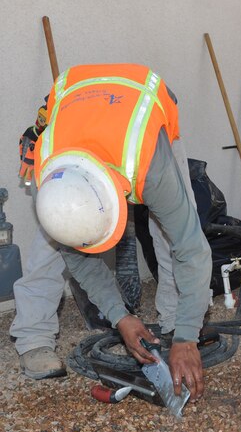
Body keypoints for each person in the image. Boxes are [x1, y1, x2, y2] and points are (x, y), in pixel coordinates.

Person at [18, 63, 210, 399]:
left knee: (174, 232)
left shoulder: (151, 168)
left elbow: (191, 249)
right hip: (72, 113)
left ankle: (175, 325)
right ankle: (33, 337)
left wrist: (187, 335)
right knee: (50, 241)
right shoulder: (49, 174)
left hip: (145, 113)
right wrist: (121, 317)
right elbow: (77, 258)